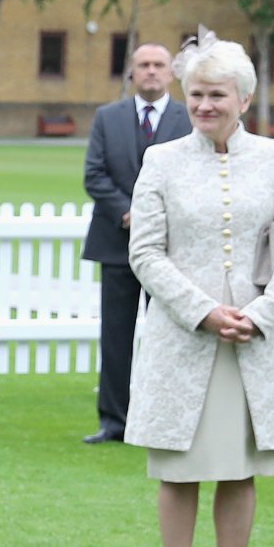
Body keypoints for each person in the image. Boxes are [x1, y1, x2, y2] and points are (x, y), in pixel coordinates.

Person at [123, 41, 274, 547]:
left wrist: (264, 311)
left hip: (253, 338)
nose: (205, 105)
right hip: (182, 337)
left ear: (245, 99)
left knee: (238, 468)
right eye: (197, 94)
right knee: (179, 467)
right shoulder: (162, 161)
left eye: (217, 95)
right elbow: (145, 252)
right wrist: (203, 310)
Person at [81, 42, 186, 443]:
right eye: (143, 65)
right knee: (116, 336)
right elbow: (94, 175)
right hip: (117, 243)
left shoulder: (188, 118)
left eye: (159, 65)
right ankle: (114, 421)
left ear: (171, 73)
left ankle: (168, 419)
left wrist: (157, 217)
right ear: (132, 72)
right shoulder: (108, 117)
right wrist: (130, 212)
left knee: (171, 337)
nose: (151, 72)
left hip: (173, 248)